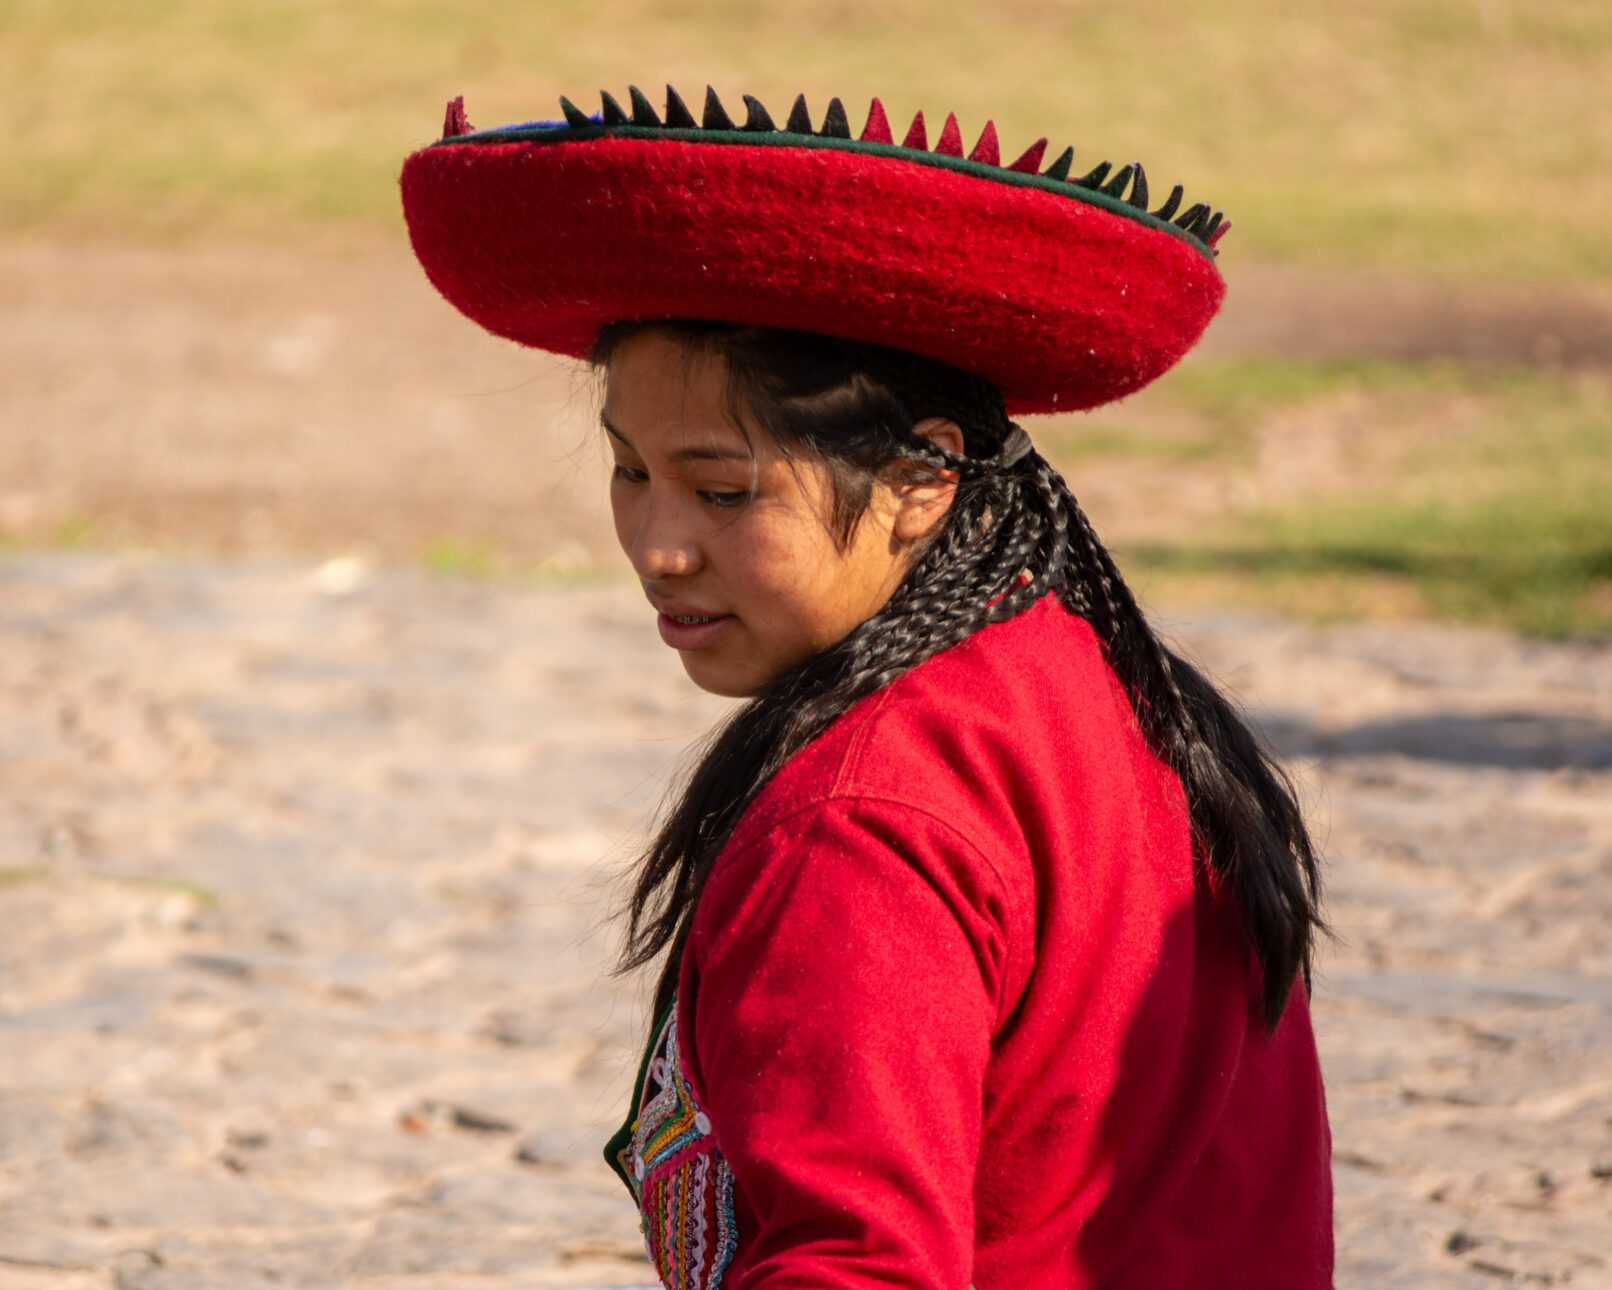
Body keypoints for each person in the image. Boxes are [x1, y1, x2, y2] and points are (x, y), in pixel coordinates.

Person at [403, 85, 1333, 1289]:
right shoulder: (1090, 677)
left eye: (724, 491)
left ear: (921, 480)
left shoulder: (857, 823)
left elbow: (855, 1264)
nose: (657, 545)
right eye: (631, 472)